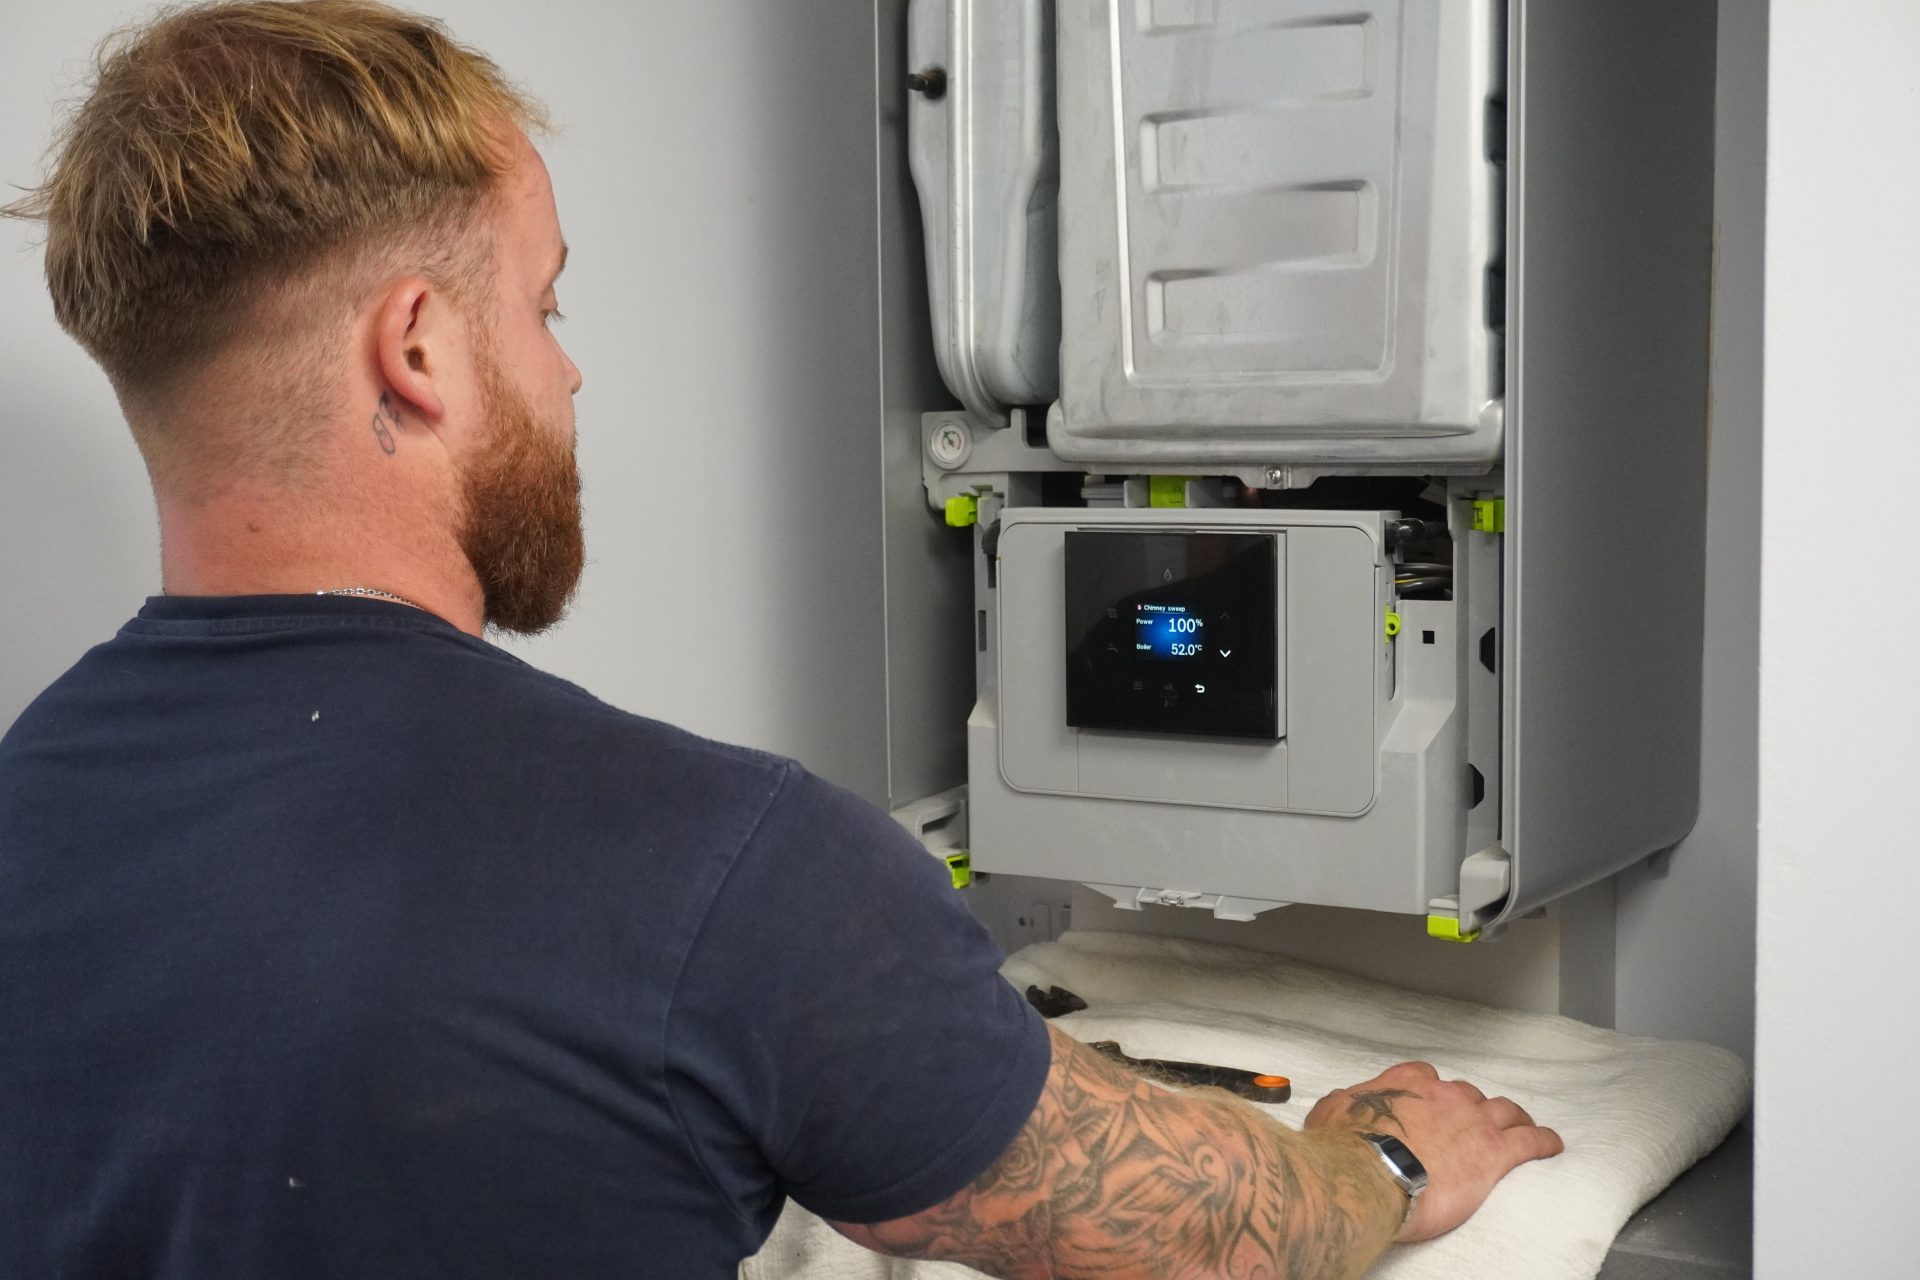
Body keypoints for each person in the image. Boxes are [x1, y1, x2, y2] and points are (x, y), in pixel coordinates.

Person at [0, 3, 1563, 1277]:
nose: (568, 379)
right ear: (415, 349)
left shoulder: (28, 805)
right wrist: (1383, 1160)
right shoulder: (717, 867)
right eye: (543, 312)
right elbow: (1227, 1231)